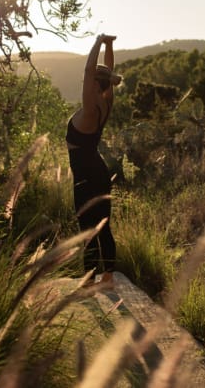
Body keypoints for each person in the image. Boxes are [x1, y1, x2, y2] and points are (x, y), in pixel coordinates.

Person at [66, 34, 122, 286]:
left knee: (88, 230)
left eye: (88, 80)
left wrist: (99, 41)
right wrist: (109, 46)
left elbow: (90, 69)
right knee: (104, 227)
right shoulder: (106, 102)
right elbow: (103, 72)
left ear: (93, 84)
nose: (84, 81)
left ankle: (89, 280)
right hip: (98, 171)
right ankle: (107, 276)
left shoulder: (90, 107)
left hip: (86, 177)